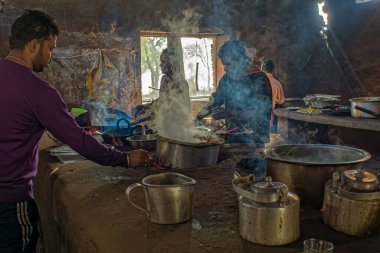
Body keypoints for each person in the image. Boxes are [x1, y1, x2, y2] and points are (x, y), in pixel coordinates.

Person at [0, 10, 152, 253]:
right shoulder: (37, 90)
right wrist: (124, 158)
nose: (50, 57)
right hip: (8, 202)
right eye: (50, 49)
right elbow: (77, 139)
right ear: (33, 45)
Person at [197, 39, 272, 145]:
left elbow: (260, 113)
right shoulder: (226, 79)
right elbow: (215, 101)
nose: (225, 69)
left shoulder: (259, 79)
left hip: (255, 139)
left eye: (228, 64)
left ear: (242, 60)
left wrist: (229, 113)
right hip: (233, 136)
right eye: (224, 64)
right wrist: (198, 117)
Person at [261, 59, 285, 133]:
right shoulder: (277, 84)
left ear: (261, 69)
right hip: (273, 118)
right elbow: (281, 101)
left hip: (259, 119)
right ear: (272, 70)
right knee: (273, 141)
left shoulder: (257, 82)